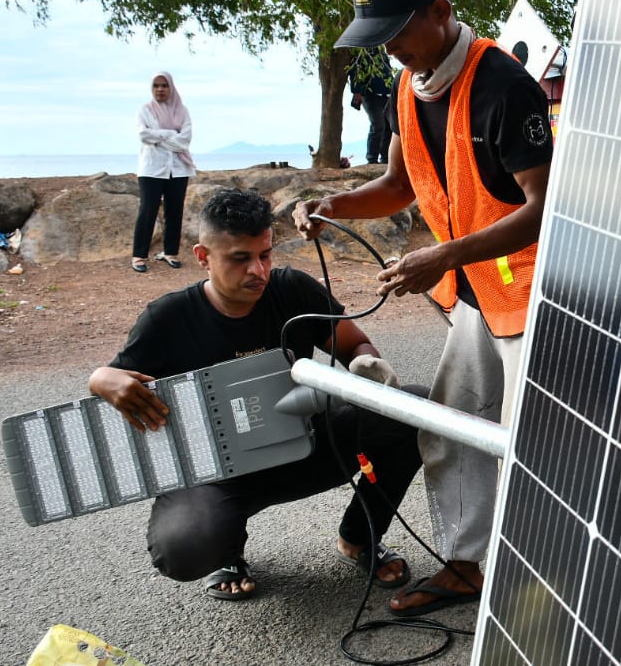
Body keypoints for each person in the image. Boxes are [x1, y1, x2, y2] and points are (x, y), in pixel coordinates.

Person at [293, 0, 553, 617]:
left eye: (398, 34)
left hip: (532, 295)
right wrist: (332, 204)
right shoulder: (411, 86)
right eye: (377, 39)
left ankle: (549, 575)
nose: (391, 52)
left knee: (532, 444)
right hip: (477, 293)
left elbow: (542, 210)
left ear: (440, 12)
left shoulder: (504, 85)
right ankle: (467, 566)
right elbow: (399, 184)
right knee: (451, 427)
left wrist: (442, 256)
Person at [90, 188, 424, 600]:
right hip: (220, 475)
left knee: (415, 411)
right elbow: (116, 380)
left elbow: (355, 344)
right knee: (183, 548)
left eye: (264, 254)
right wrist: (101, 379)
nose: (258, 270)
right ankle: (226, 553)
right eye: (239, 258)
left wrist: (365, 365)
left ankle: (359, 537)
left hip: (307, 449)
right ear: (202, 256)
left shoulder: (292, 290)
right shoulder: (167, 318)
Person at [132, 72, 196, 273]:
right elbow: (143, 135)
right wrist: (170, 134)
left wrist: (158, 136)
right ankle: (139, 256)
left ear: (171, 88)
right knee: (147, 211)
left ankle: (170, 252)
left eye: (164, 86)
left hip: (178, 169)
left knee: (174, 211)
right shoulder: (145, 110)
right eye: (156, 86)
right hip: (151, 168)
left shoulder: (182, 111)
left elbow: (185, 140)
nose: (160, 89)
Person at [348, 47, 396, 164]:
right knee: (378, 125)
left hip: (386, 95)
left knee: (390, 126)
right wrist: (357, 91)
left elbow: (388, 72)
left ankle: (385, 157)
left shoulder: (382, 53)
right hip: (370, 95)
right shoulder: (362, 53)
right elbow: (355, 72)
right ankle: (372, 158)